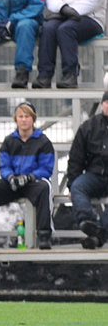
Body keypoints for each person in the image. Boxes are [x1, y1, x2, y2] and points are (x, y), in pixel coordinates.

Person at [0, 102, 55, 251]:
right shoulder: (9, 141)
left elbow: (46, 168)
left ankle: (44, 236)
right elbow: (4, 166)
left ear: (33, 119)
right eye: (20, 116)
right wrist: (10, 177)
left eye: (27, 116)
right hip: (13, 182)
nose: (23, 120)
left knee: (44, 188)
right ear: (16, 119)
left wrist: (29, 177)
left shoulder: (43, 142)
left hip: (32, 182)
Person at [66, 91, 108, 249]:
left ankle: (98, 234)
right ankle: (87, 221)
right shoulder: (89, 127)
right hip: (94, 176)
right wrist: (71, 183)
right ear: (102, 105)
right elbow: (76, 158)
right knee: (78, 186)